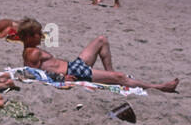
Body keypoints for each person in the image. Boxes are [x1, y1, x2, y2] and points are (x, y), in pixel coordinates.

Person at [18, 18, 178, 91]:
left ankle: (110, 74)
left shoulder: (32, 50)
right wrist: (61, 78)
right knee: (121, 76)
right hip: (73, 72)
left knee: (101, 40)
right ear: (29, 36)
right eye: (38, 34)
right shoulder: (32, 53)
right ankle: (159, 87)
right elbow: (36, 74)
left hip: (74, 66)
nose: (42, 36)